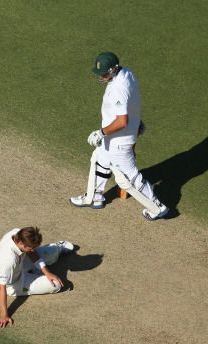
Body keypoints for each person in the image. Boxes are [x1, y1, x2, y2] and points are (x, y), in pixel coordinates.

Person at [69, 51, 169, 221]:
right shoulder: (127, 73)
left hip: (119, 139)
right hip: (115, 135)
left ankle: (157, 207)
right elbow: (133, 101)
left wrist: (101, 132)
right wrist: (137, 121)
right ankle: (94, 197)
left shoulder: (118, 88)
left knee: (128, 178)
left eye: (105, 73)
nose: (101, 76)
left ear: (114, 69)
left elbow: (122, 121)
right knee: (99, 159)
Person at [0, 227, 74, 328]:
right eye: (30, 248)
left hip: (20, 263)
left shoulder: (17, 233)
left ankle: (57, 248)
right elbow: (0, 287)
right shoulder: (7, 260)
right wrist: (4, 315)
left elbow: (32, 252)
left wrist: (47, 272)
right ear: (21, 243)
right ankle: (35, 274)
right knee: (56, 284)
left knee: (48, 253)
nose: (33, 250)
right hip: (14, 283)